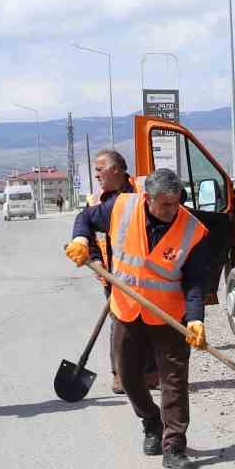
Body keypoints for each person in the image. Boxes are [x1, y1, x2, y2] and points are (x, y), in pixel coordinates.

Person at [65, 167, 211, 469]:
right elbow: (86, 218)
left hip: (170, 318)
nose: (172, 210)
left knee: (173, 381)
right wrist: (81, 240)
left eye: (176, 202)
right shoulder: (121, 207)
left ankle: (174, 446)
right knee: (129, 376)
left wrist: (196, 320)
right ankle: (150, 422)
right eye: (165, 204)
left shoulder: (192, 230)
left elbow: (195, 282)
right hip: (127, 309)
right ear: (147, 198)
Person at [89, 149, 158, 395]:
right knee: (121, 323)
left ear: (116, 169)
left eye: (99, 169)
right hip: (112, 275)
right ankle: (120, 375)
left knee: (150, 321)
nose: (96, 174)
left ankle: (150, 374)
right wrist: (95, 260)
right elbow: (91, 236)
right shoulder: (96, 200)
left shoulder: (142, 190)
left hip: (148, 274)